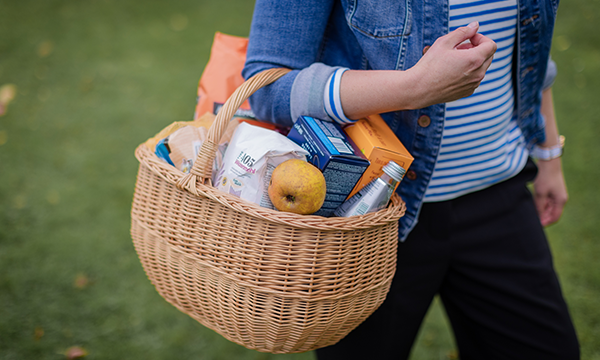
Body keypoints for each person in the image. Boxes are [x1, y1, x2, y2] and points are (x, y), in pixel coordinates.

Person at [242, 0, 580, 359]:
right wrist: (413, 88)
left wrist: (548, 154)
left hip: (499, 195)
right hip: (370, 213)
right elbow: (266, 85)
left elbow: (531, 48)